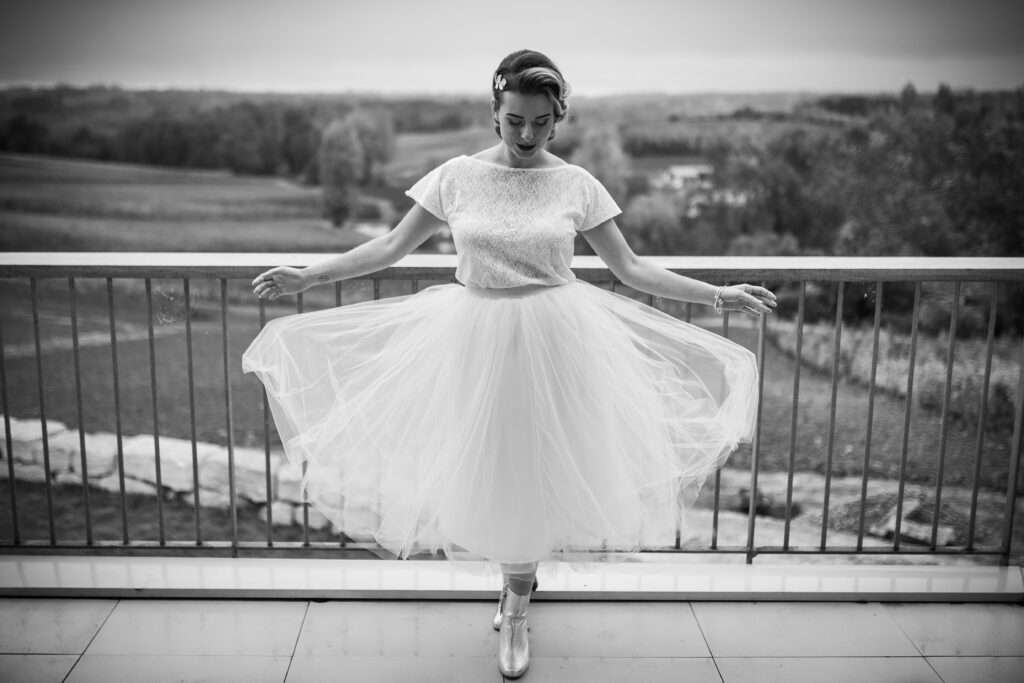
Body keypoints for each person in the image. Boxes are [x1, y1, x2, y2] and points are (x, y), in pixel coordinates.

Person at [242, 49, 775, 679]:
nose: (527, 135)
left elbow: (631, 268)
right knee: (494, 471)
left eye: (542, 122)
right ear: (495, 112)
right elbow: (388, 246)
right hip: (474, 339)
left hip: (557, 343)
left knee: (537, 472)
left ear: (558, 118)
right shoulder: (456, 176)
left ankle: (516, 609)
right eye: (516, 119)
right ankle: (515, 586)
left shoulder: (577, 184)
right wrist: (308, 275)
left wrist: (719, 294)